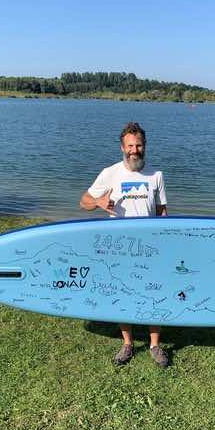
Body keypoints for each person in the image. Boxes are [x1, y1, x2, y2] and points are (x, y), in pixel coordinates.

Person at [79, 121, 170, 367]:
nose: (134, 150)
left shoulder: (156, 176)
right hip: (118, 247)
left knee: (153, 293)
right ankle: (127, 344)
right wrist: (98, 202)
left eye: (138, 145)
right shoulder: (110, 173)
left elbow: (162, 213)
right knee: (122, 293)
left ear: (144, 146)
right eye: (130, 146)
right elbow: (84, 201)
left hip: (150, 246)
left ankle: (154, 345)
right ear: (122, 147)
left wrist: (167, 240)